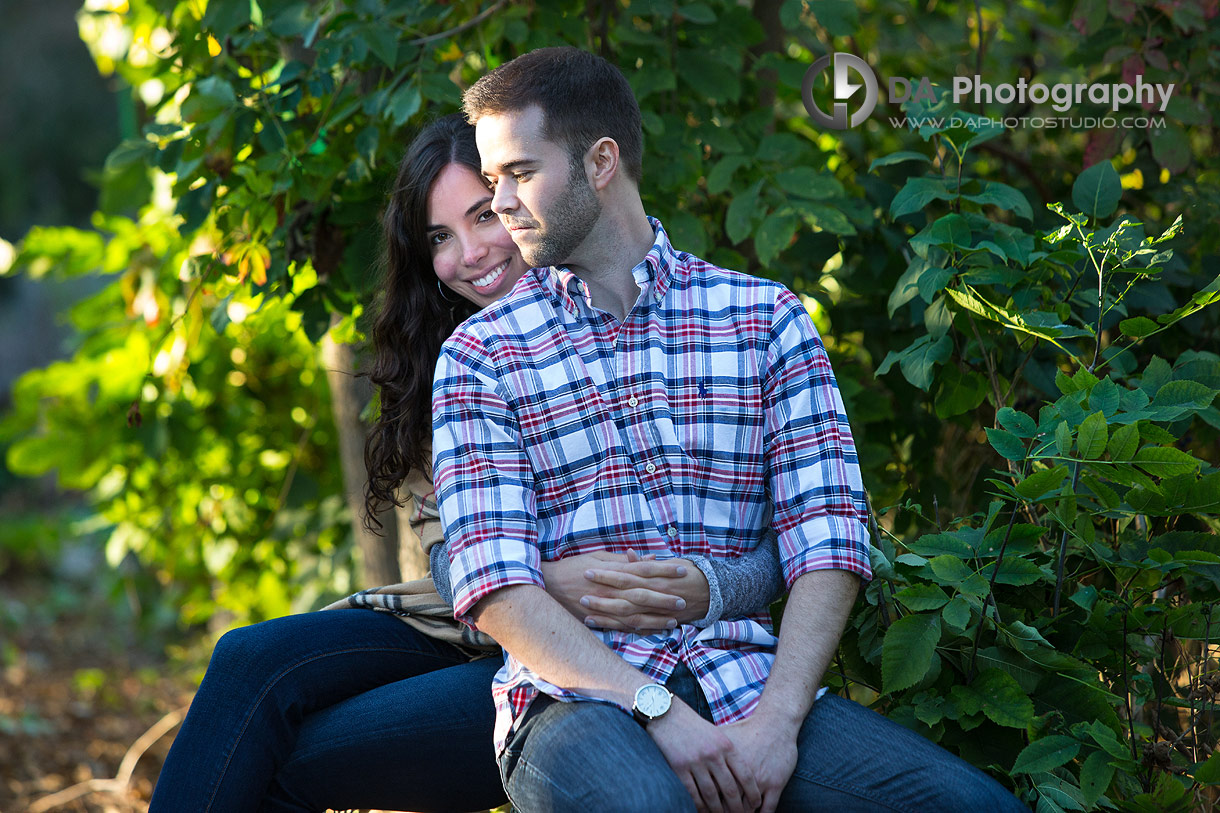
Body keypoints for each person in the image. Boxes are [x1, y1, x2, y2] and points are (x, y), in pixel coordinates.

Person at [433, 46, 1029, 813]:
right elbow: (495, 587)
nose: (502, 201)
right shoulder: (482, 356)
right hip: (574, 704)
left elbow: (830, 538)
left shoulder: (765, 319)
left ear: (601, 161)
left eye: (519, 172)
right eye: (492, 181)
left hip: (750, 686)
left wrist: (777, 725)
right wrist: (655, 707)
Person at [149, 113, 784, 813]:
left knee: (275, 755)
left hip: (569, 652)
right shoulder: (449, 353)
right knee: (247, 660)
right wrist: (530, 578)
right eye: (439, 238)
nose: (471, 253)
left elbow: (769, 536)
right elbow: (445, 548)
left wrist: (700, 584)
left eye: (484, 215)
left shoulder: (650, 320)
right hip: (460, 618)